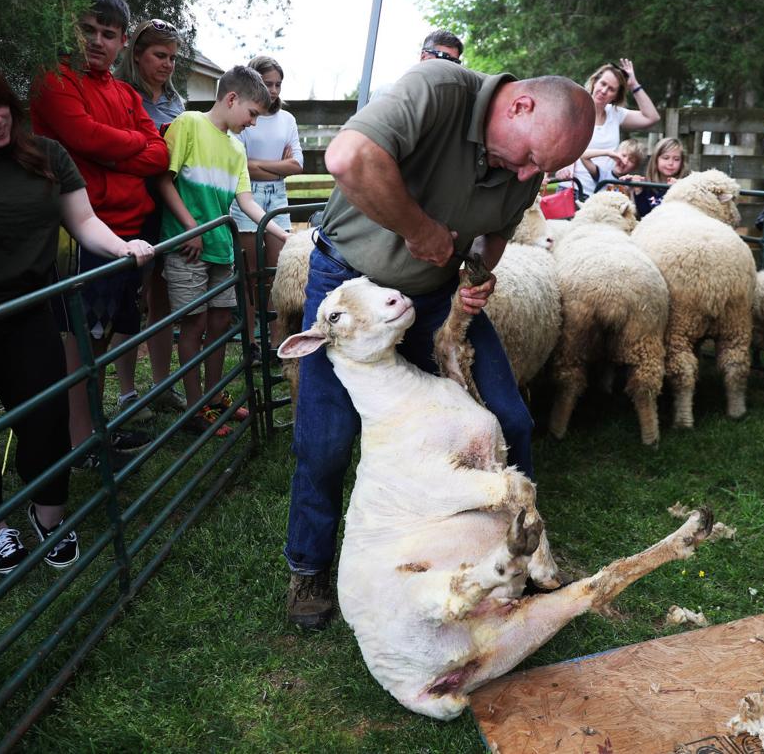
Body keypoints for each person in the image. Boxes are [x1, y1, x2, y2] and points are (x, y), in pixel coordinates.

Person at [283, 61, 593, 630]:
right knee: (327, 435)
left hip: (432, 300)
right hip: (352, 289)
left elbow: (494, 233)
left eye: (541, 169)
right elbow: (348, 158)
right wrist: (417, 228)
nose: (529, 173)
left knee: (511, 419)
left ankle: (515, 553)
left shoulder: (527, 163)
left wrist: (476, 277)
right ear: (520, 105)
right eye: (529, 158)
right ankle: (309, 565)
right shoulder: (439, 91)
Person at [0, 52, 155, 573]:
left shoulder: (47, 155)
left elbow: (84, 221)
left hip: (30, 313)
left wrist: (122, 246)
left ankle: (49, 518)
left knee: (46, 420)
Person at [29, 0, 169, 468]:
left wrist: (112, 148)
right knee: (78, 342)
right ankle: (78, 444)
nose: (96, 41)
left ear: (122, 41)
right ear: (72, 28)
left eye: (108, 34)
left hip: (127, 235)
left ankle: (89, 433)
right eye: (88, 30)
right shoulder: (55, 80)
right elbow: (78, 135)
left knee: (103, 337)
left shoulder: (127, 93)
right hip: (81, 234)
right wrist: (126, 146)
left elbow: (160, 153)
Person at [157, 66, 289, 436]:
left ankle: (214, 398)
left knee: (218, 323)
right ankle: (196, 407)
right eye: (251, 114)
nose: (252, 123)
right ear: (232, 99)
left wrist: (282, 235)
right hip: (189, 248)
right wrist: (191, 228)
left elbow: (246, 202)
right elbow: (163, 181)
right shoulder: (188, 124)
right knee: (194, 323)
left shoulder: (235, 147)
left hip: (220, 249)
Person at [114, 17, 187, 420]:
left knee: (162, 296)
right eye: (160, 55)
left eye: (173, 58)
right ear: (137, 54)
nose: (167, 64)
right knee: (130, 297)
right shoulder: (123, 95)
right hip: (133, 206)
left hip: (169, 206)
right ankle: (127, 392)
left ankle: (163, 385)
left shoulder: (176, 103)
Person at [228, 56, 302, 362]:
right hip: (245, 196)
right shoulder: (246, 116)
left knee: (276, 271)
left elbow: (297, 163)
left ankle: (275, 341)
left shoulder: (287, 120)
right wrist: (276, 167)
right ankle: (251, 343)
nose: (272, 89)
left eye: (277, 84)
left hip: (277, 198)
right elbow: (238, 165)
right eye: (266, 83)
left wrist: (258, 164)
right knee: (249, 273)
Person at [562, 59, 660, 198]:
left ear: (616, 96)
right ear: (595, 81)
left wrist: (633, 85)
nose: (603, 91)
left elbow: (652, 117)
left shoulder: (615, 114)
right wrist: (561, 167)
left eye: (611, 89)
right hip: (573, 188)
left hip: (603, 192)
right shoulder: (574, 110)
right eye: (603, 84)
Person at [633, 136, 688, 218]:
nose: (671, 163)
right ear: (656, 160)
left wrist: (678, 191)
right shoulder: (646, 185)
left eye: (676, 159)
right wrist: (638, 192)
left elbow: (685, 215)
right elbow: (644, 215)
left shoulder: (686, 186)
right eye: (665, 158)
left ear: (682, 162)